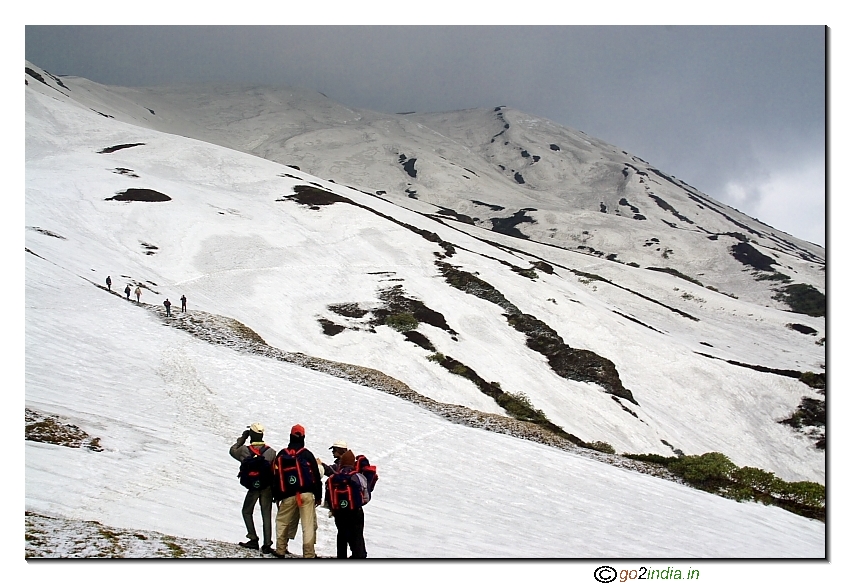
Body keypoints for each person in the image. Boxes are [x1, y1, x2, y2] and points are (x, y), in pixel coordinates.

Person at [272, 424, 322, 558]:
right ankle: (309, 554)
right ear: (303, 437)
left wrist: (276, 495)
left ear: (290, 436)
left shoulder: (282, 454)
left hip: (287, 495)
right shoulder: (307, 454)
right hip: (306, 494)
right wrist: (318, 496)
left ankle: (280, 550)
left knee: (282, 522)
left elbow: (276, 476)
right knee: (308, 526)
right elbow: (316, 477)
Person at [230, 423, 277, 554]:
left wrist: (242, 438)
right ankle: (267, 544)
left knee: (246, 511)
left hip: (253, 487)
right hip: (267, 487)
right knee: (266, 514)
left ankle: (253, 538)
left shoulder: (244, 450)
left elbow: (232, 450)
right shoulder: (271, 452)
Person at [326, 450, 368, 558]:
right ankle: (359, 556)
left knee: (341, 535)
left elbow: (328, 496)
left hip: (339, 513)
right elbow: (366, 496)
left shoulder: (333, 478)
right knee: (357, 536)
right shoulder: (358, 477)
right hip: (355, 512)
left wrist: (334, 508)